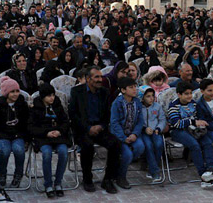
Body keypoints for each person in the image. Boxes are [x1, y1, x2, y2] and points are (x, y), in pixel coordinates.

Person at [69, 66, 121, 194]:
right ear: (88, 79)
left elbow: (108, 114)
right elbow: (73, 114)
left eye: (101, 76)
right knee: (88, 146)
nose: (100, 79)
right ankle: (87, 179)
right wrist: (88, 128)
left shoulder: (104, 92)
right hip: (83, 129)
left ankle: (108, 179)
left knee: (115, 144)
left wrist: (101, 126)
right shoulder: (77, 92)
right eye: (96, 77)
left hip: (99, 128)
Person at [168, 81, 213, 188]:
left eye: (190, 93)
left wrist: (200, 122)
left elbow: (197, 117)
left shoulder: (193, 104)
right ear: (179, 94)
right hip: (178, 131)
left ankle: (211, 169)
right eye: (186, 94)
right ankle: (202, 174)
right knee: (195, 145)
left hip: (194, 130)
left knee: (207, 142)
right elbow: (176, 123)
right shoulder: (174, 106)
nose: (189, 96)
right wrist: (193, 122)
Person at [29, 83, 72, 198]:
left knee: (63, 152)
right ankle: (48, 184)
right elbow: (32, 127)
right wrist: (46, 133)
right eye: (48, 96)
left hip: (58, 136)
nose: (52, 98)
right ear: (43, 97)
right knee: (47, 154)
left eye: (53, 95)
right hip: (43, 137)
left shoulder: (57, 105)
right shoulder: (36, 108)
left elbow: (65, 122)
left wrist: (60, 131)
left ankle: (58, 182)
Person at [0, 76, 29, 188]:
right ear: (6, 93)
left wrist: (26, 136)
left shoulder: (22, 105)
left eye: (17, 91)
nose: (15, 94)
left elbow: (27, 122)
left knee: (19, 150)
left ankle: (18, 175)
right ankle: (2, 175)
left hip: (18, 134)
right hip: (3, 135)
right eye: (12, 92)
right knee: (4, 151)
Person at [109, 77, 145, 190]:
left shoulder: (137, 102)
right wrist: (123, 138)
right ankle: (121, 177)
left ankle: (121, 165)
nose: (135, 89)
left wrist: (135, 134)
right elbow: (114, 123)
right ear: (123, 90)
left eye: (135, 87)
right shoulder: (117, 103)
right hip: (120, 135)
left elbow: (140, 121)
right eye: (131, 87)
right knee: (127, 154)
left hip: (132, 133)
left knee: (140, 147)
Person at [140, 87, 165, 182]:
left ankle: (152, 169)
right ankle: (155, 171)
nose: (151, 98)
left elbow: (162, 119)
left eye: (152, 96)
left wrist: (158, 128)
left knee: (159, 144)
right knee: (148, 146)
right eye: (148, 96)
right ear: (142, 98)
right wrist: (144, 128)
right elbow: (137, 121)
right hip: (143, 132)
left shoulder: (157, 107)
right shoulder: (139, 107)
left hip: (155, 131)